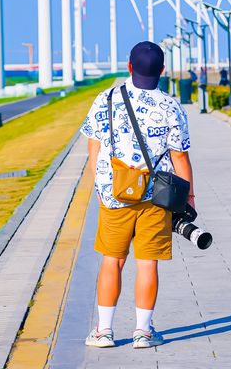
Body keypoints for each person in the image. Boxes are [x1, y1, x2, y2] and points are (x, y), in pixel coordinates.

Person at [80, 41, 195, 350]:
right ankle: (143, 332)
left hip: (115, 195)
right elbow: (180, 157)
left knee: (112, 262)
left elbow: (93, 145)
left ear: (129, 66)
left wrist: (102, 186)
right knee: (147, 264)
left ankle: (103, 332)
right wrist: (189, 197)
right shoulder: (171, 105)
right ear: (162, 71)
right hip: (156, 197)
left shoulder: (106, 99)